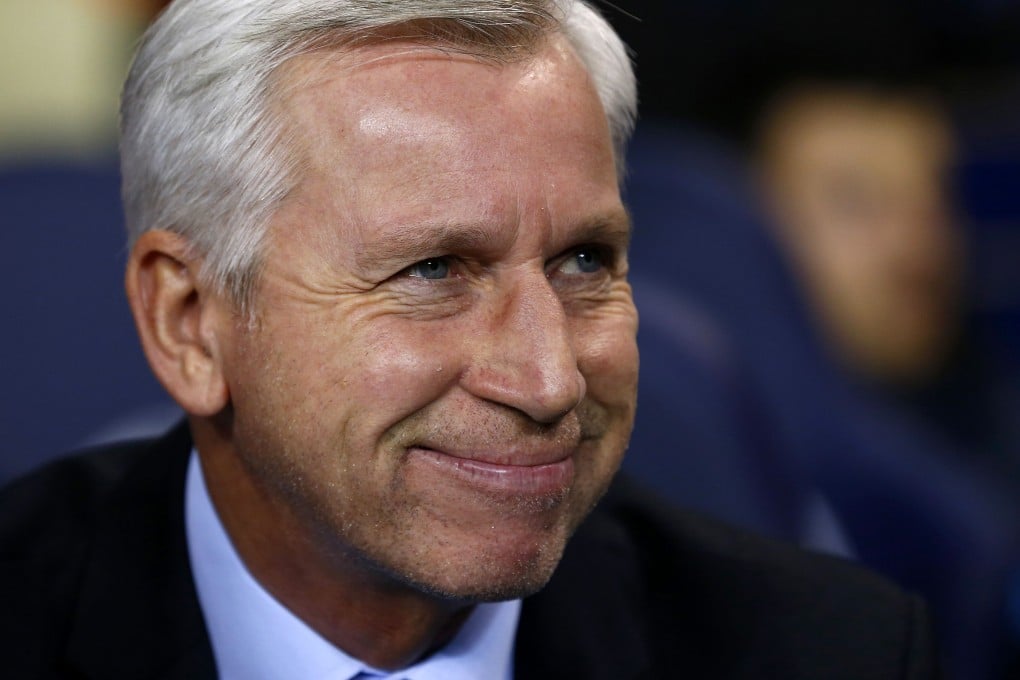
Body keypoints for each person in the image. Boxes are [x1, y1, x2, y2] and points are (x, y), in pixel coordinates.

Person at [1, 1, 939, 677]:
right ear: (189, 323)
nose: (550, 380)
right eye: (434, 271)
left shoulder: (832, 649)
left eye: (583, 260)